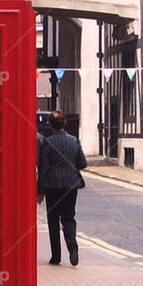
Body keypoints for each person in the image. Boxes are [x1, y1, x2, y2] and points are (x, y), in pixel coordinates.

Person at [37, 110, 87, 266]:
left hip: (52, 186)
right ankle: (73, 249)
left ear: (50, 125)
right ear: (64, 123)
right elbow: (82, 163)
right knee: (69, 218)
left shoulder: (47, 142)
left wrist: (40, 191)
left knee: (53, 220)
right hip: (71, 185)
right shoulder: (74, 141)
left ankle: (56, 256)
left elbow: (43, 168)